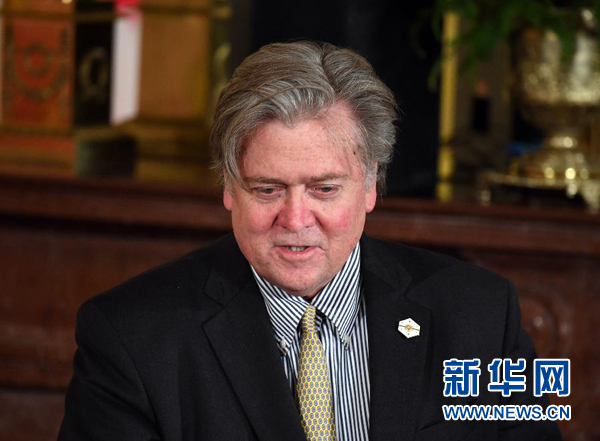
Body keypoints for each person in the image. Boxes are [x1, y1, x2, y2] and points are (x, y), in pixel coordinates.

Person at [59, 41, 562, 441]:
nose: (296, 218)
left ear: (370, 185)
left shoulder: (482, 316)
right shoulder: (131, 338)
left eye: (324, 189)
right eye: (267, 189)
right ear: (229, 188)